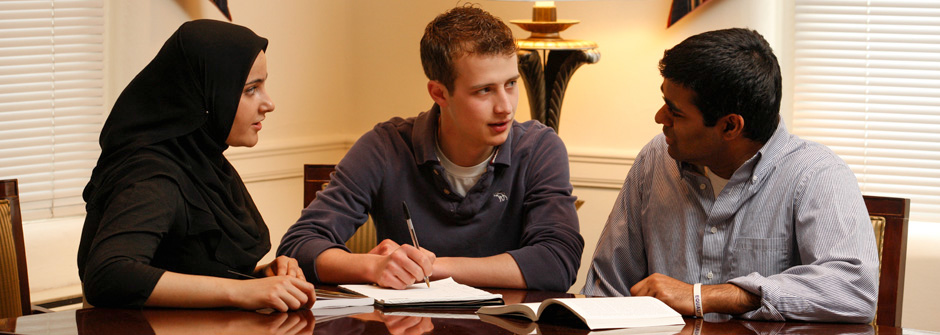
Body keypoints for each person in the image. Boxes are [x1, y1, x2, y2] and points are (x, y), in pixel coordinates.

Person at [277, 5, 583, 292]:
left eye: (511, 84)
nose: (505, 107)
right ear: (439, 93)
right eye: (484, 90)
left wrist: (430, 266)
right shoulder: (385, 146)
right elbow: (299, 246)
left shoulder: (540, 148)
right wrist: (373, 267)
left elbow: (558, 263)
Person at [581, 28, 878, 322]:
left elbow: (854, 290)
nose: (660, 118)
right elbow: (606, 289)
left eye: (676, 112)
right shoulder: (655, 159)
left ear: (730, 127)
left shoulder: (817, 175)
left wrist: (709, 296)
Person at [77, 19, 315, 311]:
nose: (268, 103)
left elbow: (185, 268)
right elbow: (109, 275)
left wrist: (257, 279)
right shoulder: (152, 175)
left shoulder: (203, 163)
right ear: (206, 95)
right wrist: (241, 293)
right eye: (250, 89)